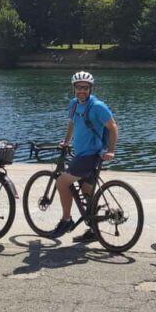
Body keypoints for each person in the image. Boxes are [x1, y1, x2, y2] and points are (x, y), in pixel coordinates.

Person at [50, 71, 119, 242]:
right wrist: (66, 142)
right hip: (80, 154)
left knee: (61, 182)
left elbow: (113, 128)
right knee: (86, 192)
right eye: (79, 87)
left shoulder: (97, 106)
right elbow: (72, 123)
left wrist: (111, 150)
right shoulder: (74, 104)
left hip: (90, 155)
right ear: (73, 88)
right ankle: (93, 229)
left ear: (90, 89)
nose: (82, 91)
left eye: (86, 88)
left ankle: (66, 220)